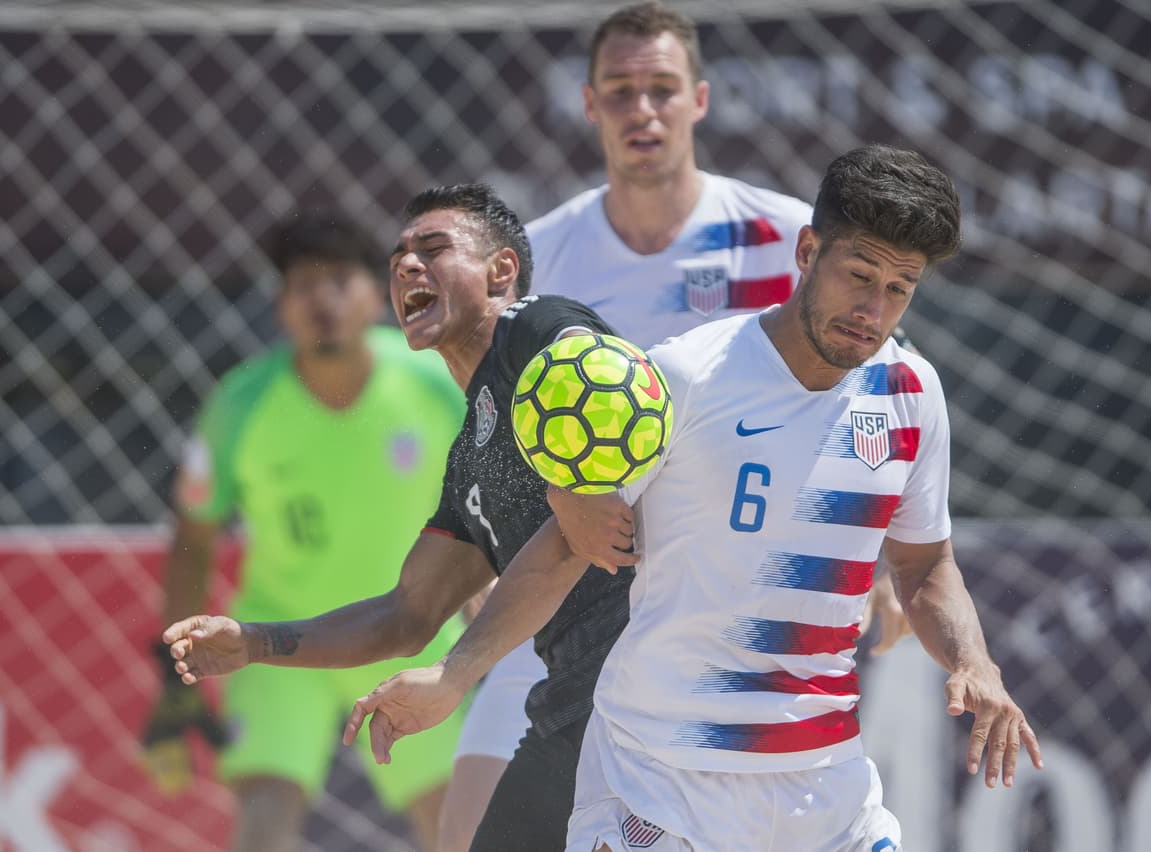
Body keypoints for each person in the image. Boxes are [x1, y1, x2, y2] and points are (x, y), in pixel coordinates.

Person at [342, 145, 1044, 852]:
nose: (873, 308)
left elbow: (926, 567)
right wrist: (456, 673)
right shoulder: (687, 376)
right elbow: (564, 544)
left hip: (825, 789)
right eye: (859, 275)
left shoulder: (912, 396)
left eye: (900, 289)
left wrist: (973, 662)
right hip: (660, 785)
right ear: (806, 251)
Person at [451, 5, 912, 836]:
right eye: (621, 92)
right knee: (466, 832)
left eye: (661, 89)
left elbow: (874, 391)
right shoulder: (542, 253)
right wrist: (493, 545)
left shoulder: (784, 237)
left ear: (699, 99)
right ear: (589, 105)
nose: (643, 111)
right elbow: (487, 420)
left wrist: (881, 559)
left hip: (723, 607)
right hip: (569, 589)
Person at [162, 184, 634, 852]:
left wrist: (583, 481)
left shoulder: (544, 336)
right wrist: (253, 642)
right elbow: (406, 615)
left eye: (433, 249)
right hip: (562, 692)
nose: (408, 266)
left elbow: (580, 502)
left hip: (656, 681)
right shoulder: (469, 455)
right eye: (399, 259)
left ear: (502, 272)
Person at [148, 211, 468, 852]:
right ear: (281, 305)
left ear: (376, 295)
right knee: (261, 825)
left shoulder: (435, 383)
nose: (322, 300)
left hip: (413, 631)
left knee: (458, 829)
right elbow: (194, 538)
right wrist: (171, 684)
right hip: (276, 638)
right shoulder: (241, 403)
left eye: (339, 281)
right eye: (303, 285)